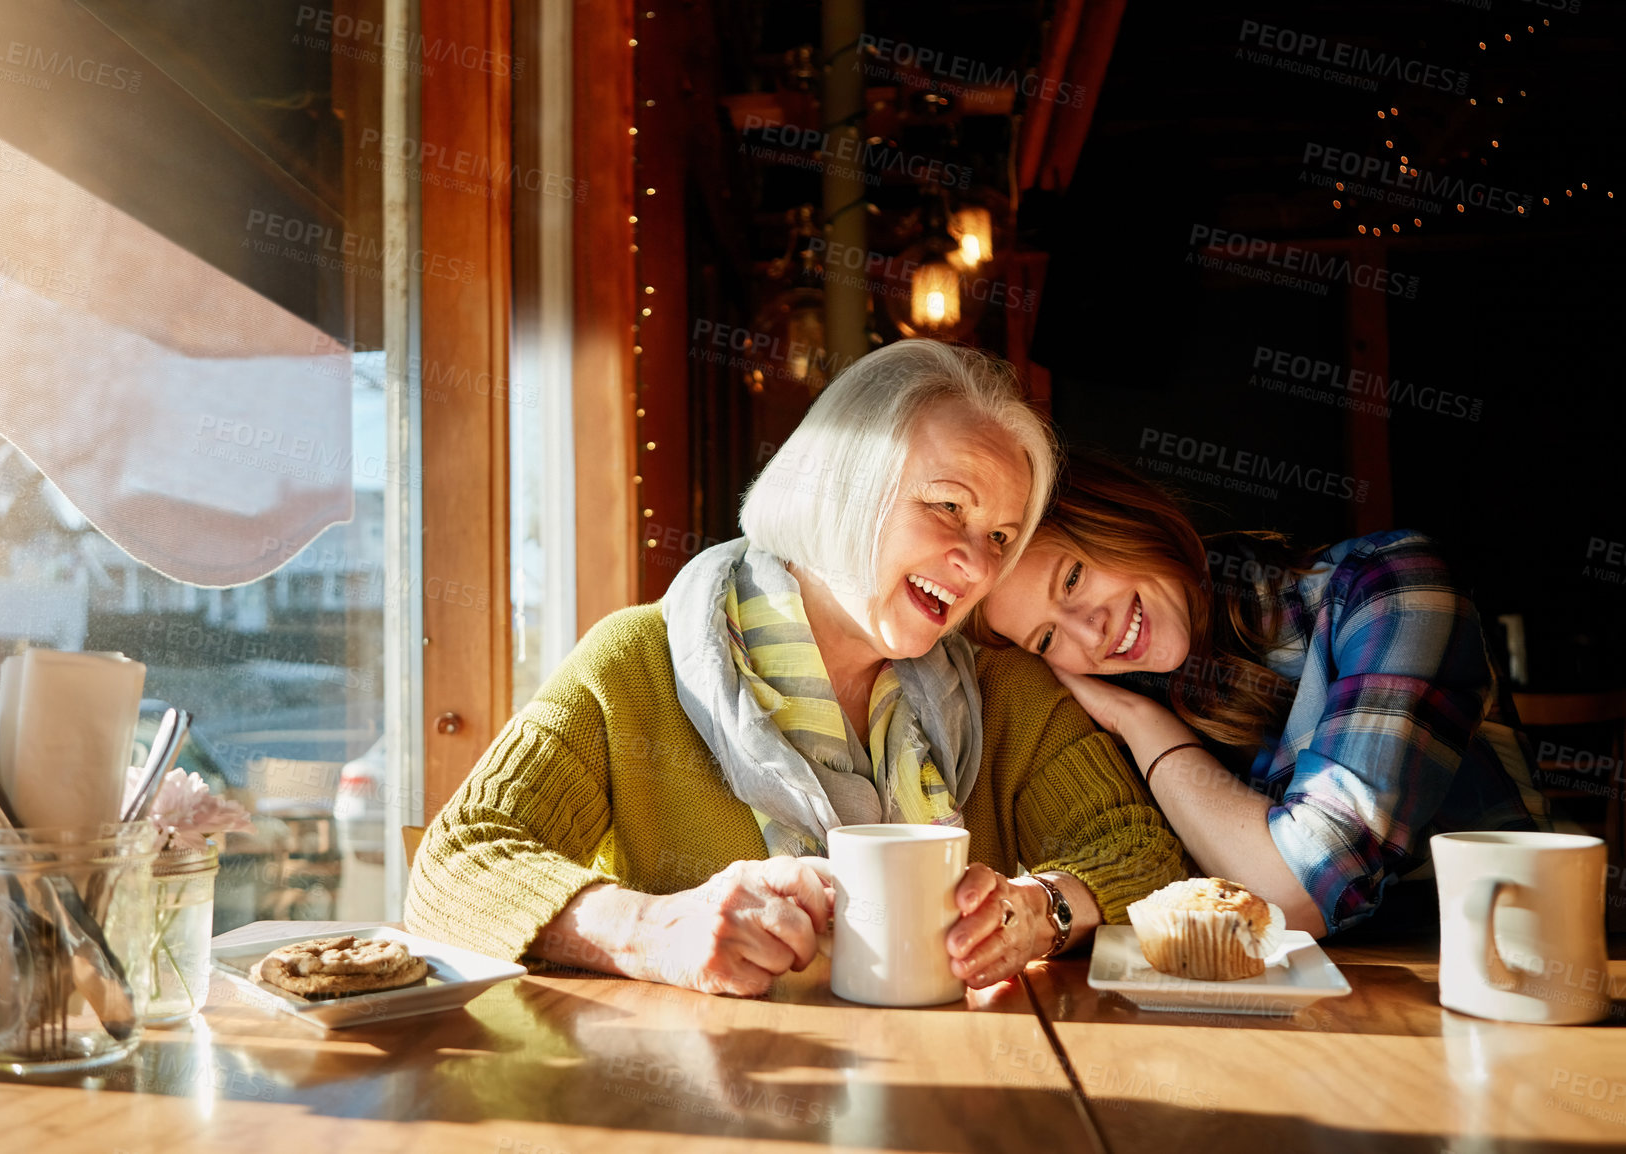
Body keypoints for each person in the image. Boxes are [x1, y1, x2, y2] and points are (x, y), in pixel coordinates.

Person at [407, 341, 1184, 995]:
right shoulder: (635, 661)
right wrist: (652, 929)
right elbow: (456, 864)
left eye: (999, 536)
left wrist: (1043, 907)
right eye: (949, 506)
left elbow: (1142, 855)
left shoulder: (1004, 689)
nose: (975, 561)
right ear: (843, 483)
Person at [975, 452, 1551, 938]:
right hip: (1288, 1010)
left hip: (1493, 968)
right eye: (1047, 636)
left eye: (1072, 578)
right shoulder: (1120, 689)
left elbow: (1294, 896)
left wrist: (1143, 726)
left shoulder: (1392, 586)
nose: (1088, 631)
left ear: (1126, 519)